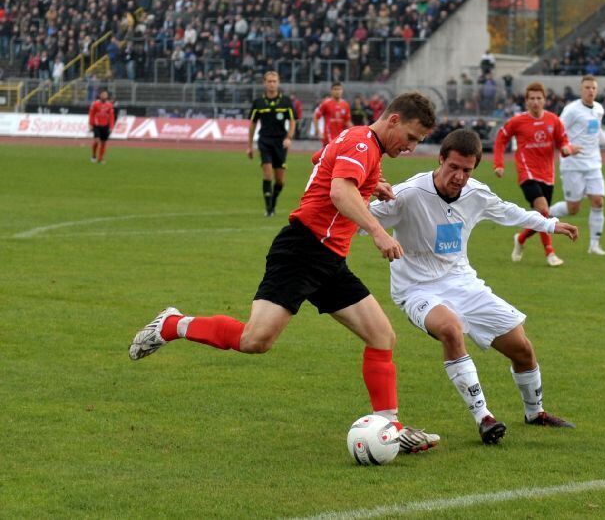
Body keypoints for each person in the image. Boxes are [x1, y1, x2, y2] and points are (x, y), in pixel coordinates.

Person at [129, 92, 441, 454]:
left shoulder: (358, 140)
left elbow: (321, 159)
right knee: (255, 341)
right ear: (393, 120)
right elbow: (340, 191)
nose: (411, 147)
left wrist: (372, 183)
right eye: (412, 137)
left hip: (329, 260)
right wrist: (378, 230)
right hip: (301, 251)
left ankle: (392, 427)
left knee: (382, 337)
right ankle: (173, 324)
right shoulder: (361, 142)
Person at [368, 128, 579, 445]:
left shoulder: (475, 193)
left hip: (463, 282)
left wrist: (550, 224)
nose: (459, 176)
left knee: (522, 349)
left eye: (466, 170)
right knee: (451, 329)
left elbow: (508, 211)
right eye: (453, 167)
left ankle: (535, 413)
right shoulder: (409, 194)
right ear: (441, 160)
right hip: (416, 289)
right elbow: (364, 217)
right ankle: (484, 418)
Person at [492, 82, 577, 267]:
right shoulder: (517, 121)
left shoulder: (553, 120)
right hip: (527, 173)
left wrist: (566, 149)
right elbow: (501, 138)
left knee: (542, 216)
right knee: (544, 210)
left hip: (547, 175)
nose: (536, 102)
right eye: (532, 98)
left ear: (544, 100)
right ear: (526, 101)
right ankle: (550, 253)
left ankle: (521, 239)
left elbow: (563, 141)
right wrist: (499, 164)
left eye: (539, 98)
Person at [549, 75, 605, 255]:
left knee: (598, 201)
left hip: (594, 163)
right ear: (581, 90)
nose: (591, 91)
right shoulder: (572, 110)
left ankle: (594, 245)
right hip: (573, 164)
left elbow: (597, 131)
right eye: (587, 87)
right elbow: (558, 130)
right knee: (573, 208)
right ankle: (543, 214)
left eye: (594, 88)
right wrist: (568, 147)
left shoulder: (599, 109)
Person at [247, 71, 296, 217]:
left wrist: (289, 137)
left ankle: (273, 201)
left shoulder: (286, 102)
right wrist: (249, 145)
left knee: (280, 180)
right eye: (269, 81)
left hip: (280, 143)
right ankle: (268, 208)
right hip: (264, 141)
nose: (272, 84)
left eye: (274, 81)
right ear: (264, 83)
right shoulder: (258, 103)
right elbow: (252, 125)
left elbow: (293, 121)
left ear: (278, 82)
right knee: (267, 173)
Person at [313, 81, 352, 145]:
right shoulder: (326, 103)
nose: (337, 91)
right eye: (335, 89)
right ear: (331, 91)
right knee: (329, 154)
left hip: (341, 135)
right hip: (328, 135)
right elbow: (316, 117)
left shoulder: (345, 105)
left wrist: (353, 131)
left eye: (339, 89)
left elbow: (347, 121)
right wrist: (318, 131)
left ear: (342, 91)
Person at [88, 88, 116, 164]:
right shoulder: (95, 104)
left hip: (105, 125)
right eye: (102, 94)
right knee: (97, 141)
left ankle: (100, 158)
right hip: (96, 125)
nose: (104, 96)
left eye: (105, 94)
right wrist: (90, 124)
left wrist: (111, 127)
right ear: (100, 95)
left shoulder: (109, 105)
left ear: (107, 96)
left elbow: (111, 116)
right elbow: (91, 115)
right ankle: (94, 155)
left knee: (103, 142)